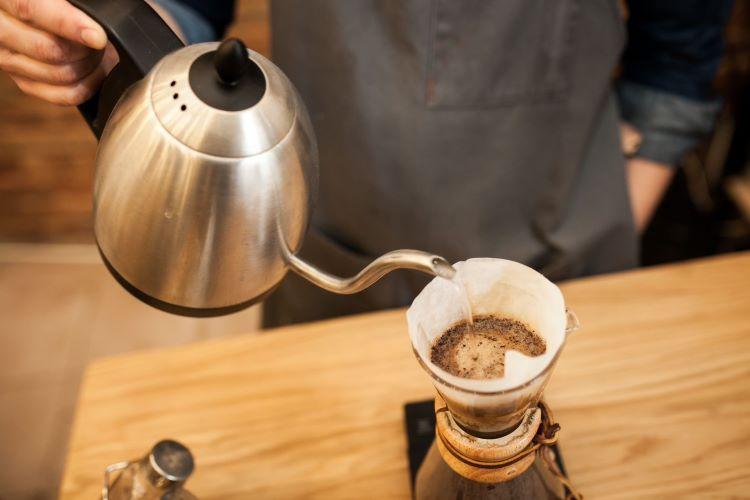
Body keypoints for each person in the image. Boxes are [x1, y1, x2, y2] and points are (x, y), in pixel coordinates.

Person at [0, 0, 733, 326]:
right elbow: (189, 9)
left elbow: (675, 65)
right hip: (335, 255)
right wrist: (104, 40)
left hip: (568, 260)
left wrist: (608, 221)